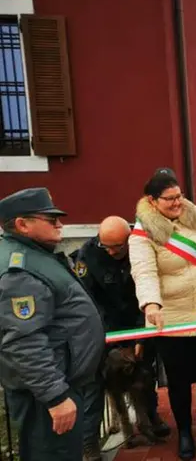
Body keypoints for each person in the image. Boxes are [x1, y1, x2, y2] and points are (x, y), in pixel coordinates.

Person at [0, 188, 105, 461]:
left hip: (59, 383)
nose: (60, 224)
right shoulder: (20, 271)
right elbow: (24, 342)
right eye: (50, 219)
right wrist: (55, 397)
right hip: (48, 395)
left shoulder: (36, 256)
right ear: (22, 224)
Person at [130, 172, 196, 459]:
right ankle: (185, 432)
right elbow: (144, 272)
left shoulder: (195, 213)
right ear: (152, 200)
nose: (178, 203)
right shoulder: (142, 233)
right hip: (172, 316)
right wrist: (151, 305)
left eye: (180, 196)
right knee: (179, 380)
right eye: (170, 199)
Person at [71, 216, 171, 460]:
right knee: (97, 388)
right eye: (108, 246)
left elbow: (149, 288)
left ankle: (151, 417)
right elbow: (89, 301)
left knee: (145, 375)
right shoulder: (87, 255)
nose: (113, 251)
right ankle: (90, 443)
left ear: (129, 239)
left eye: (119, 246)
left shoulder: (141, 246)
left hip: (139, 321)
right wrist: (110, 339)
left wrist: (140, 334)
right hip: (103, 330)